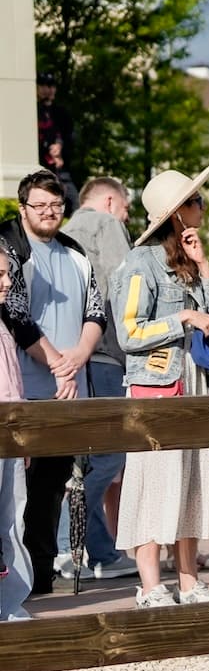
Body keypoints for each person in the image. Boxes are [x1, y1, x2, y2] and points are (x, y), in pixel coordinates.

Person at [110, 166, 209, 607]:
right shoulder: (139, 264)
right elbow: (128, 334)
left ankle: (188, 580)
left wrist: (204, 267)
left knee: (193, 482)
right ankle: (149, 585)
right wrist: (180, 318)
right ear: (176, 213)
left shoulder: (191, 262)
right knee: (152, 484)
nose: (202, 207)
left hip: (194, 384)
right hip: (155, 385)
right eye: (195, 201)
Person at [2, 169, 104, 601]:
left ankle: (41, 574)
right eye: (40, 205)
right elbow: (15, 313)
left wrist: (77, 358)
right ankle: (13, 580)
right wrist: (58, 362)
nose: (49, 213)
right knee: (14, 495)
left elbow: (97, 310)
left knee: (51, 489)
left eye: (56, 205)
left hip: (67, 391)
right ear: (23, 207)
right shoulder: (9, 247)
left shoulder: (75, 253)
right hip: (24, 390)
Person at [64, 177, 138, 580]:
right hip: (106, 353)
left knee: (86, 456)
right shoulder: (105, 225)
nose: (126, 218)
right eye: (126, 209)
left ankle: (99, 551)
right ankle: (69, 540)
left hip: (70, 355)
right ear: (111, 202)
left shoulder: (61, 232)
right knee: (109, 455)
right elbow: (123, 283)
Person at [0, 243, 34, 621]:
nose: (7, 282)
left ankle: (10, 605)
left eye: (7, 274)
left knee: (12, 523)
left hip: (11, 438)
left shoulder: (4, 323)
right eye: (0, 275)